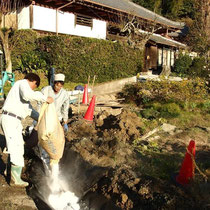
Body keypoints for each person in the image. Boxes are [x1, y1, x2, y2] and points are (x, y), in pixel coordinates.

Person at [0, 73, 54, 187]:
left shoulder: (21, 95)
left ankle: (9, 172)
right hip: (10, 119)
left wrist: (42, 117)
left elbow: (30, 111)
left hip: (13, 120)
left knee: (17, 145)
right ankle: (15, 179)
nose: (34, 88)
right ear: (33, 81)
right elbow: (28, 94)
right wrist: (45, 98)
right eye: (35, 86)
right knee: (17, 147)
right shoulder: (22, 84)